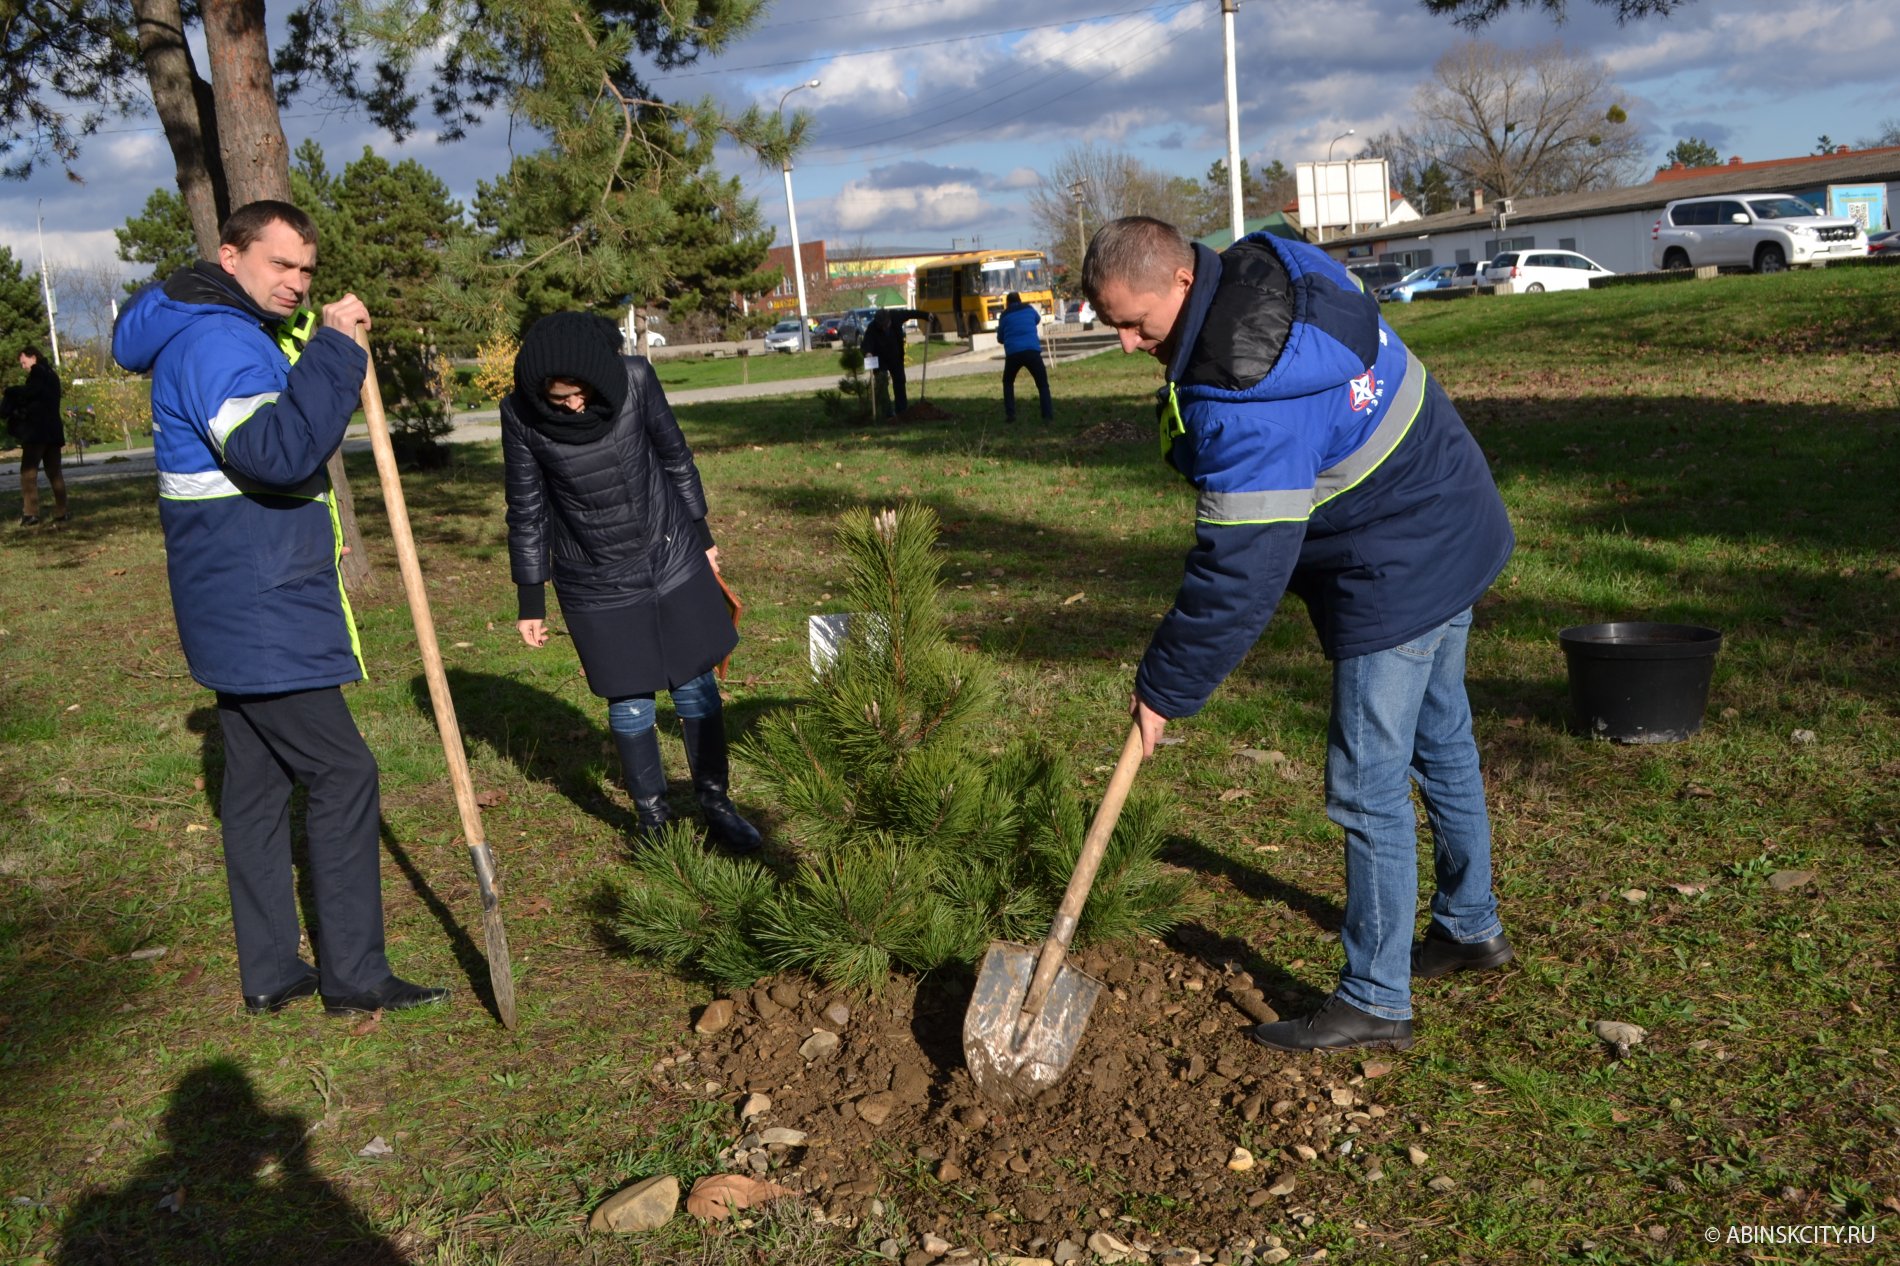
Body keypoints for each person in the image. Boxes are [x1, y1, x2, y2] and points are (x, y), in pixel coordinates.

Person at [1082, 217, 1516, 1053]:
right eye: (1112, 326)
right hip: (1456, 501)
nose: (1131, 345)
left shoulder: (1243, 393)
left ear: (1180, 279)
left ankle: (1378, 999)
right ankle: (1469, 926)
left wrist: (1167, 689)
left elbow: (1240, 570)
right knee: (1442, 734)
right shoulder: (1272, 259)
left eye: (1138, 323)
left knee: (1366, 784)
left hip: (1397, 558)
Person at [112, 199, 448, 1019]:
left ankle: (270, 970)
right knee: (343, 772)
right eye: (280, 266)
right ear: (231, 258)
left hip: (230, 595)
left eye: (307, 269)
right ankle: (356, 976)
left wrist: (319, 343)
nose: (297, 282)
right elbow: (275, 453)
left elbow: (276, 412)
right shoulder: (220, 341)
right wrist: (335, 350)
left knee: (258, 787)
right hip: (256, 602)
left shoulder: (215, 326)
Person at [502, 311, 762, 855]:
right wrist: (532, 599)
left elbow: (675, 458)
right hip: (595, 579)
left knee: (696, 685)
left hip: (671, 555)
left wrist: (702, 534)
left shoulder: (636, 380)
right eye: (559, 398)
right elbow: (527, 510)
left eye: (579, 394)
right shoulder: (520, 416)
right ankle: (654, 822)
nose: (572, 405)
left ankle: (717, 805)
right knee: (629, 703)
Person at [3, 346, 68, 526]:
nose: (23, 366)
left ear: (33, 357)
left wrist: (11, 391)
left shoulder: (38, 373)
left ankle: (30, 513)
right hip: (54, 431)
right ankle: (62, 511)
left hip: (37, 432)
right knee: (55, 473)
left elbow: (31, 393)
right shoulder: (52, 375)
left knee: (28, 473)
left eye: (24, 362)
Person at [860, 307, 931, 417]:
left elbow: (911, 313)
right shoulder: (872, 327)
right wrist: (868, 352)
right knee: (882, 384)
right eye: (881, 326)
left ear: (889, 319)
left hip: (895, 356)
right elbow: (866, 343)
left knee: (900, 381)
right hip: (880, 360)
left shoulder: (896, 316)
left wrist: (926, 315)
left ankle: (902, 411)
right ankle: (887, 413)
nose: (884, 328)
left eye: (885, 325)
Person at [995, 291, 1053, 423]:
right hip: (1032, 351)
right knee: (1042, 384)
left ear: (1007, 303)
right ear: (1020, 300)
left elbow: (1000, 339)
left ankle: (1010, 415)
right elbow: (1037, 320)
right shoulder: (1029, 309)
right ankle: (1047, 415)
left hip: (1013, 353)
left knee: (1008, 382)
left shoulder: (1004, 315)